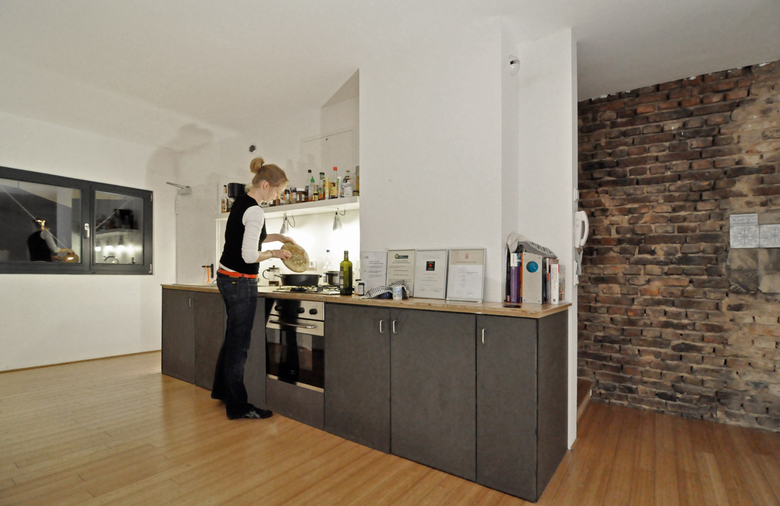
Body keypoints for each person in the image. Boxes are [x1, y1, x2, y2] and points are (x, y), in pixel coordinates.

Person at [212, 157, 295, 420]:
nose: (278, 196)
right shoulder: (256, 211)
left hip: (227, 276)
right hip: (240, 280)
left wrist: (278, 237)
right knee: (239, 345)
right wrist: (275, 253)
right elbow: (249, 255)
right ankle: (238, 407)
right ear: (266, 185)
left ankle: (223, 392)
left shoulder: (243, 202)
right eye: (279, 191)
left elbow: (249, 235)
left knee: (232, 339)